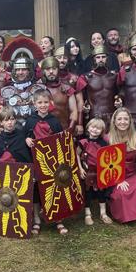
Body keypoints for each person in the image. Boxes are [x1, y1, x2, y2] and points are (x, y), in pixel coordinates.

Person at [25, 89, 68, 235]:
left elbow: (61, 141)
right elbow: (24, 137)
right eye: (39, 102)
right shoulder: (30, 121)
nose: (43, 105)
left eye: (45, 102)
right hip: (36, 160)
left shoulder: (54, 121)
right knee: (37, 189)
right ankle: (37, 219)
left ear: (50, 103)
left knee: (55, 187)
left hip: (52, 160)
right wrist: (27, 139)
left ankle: (58, 218)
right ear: (34, 104)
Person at [77, 118, 113, 225]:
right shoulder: (83, 142)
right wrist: (80, 168)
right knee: (87, 192)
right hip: (88, 172)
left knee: (101, 192)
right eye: (93, 127)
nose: (95, 130)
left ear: (102, 130)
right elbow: (77, 155)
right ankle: (87, 214)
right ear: (88, 127)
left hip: (100, 172)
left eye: (98, 128)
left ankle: (103, 213)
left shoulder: (104, 143)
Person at [83, 45, 120, 129]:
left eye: (103, 57)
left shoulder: (114, 76)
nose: (101, 59)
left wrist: (120, 98)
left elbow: (121, 92)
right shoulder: (86, 77)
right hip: (94, 117)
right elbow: (81, 99)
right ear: (94, 59)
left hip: (112, 116)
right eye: (98, 57)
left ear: (107, 58)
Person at [54, 46, 86, 135]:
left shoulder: (75, 78)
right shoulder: (49, 78)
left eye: (64, 57)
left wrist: (79, 123)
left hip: (71, 119)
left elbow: (80, 102)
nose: (62, 60)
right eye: (59, 57)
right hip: (53, 120)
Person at [39, 57, 77, 130]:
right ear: (43, 71)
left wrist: (71, 126)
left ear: (58, 70)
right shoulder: (37, 88)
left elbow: (73, 110)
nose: (51, 71)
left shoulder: (67, 89)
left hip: (64, 129)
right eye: (48, 69)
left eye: (54, 68)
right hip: (43, 132)